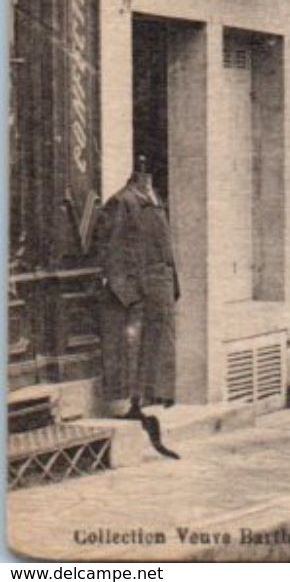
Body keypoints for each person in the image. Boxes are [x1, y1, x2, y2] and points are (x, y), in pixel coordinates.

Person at [94, 158, 179, 418]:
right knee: (131, 348)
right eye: (144, 175)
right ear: (135, 176)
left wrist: (173, 283)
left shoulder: (155, 198)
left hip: (159, 288)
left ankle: (149, 398)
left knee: (158, 345)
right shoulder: (122, 201)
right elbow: (112, 251)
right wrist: (127, 294)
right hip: (138, 291)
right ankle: (132, 403)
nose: (147, 178)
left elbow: (165, 248)